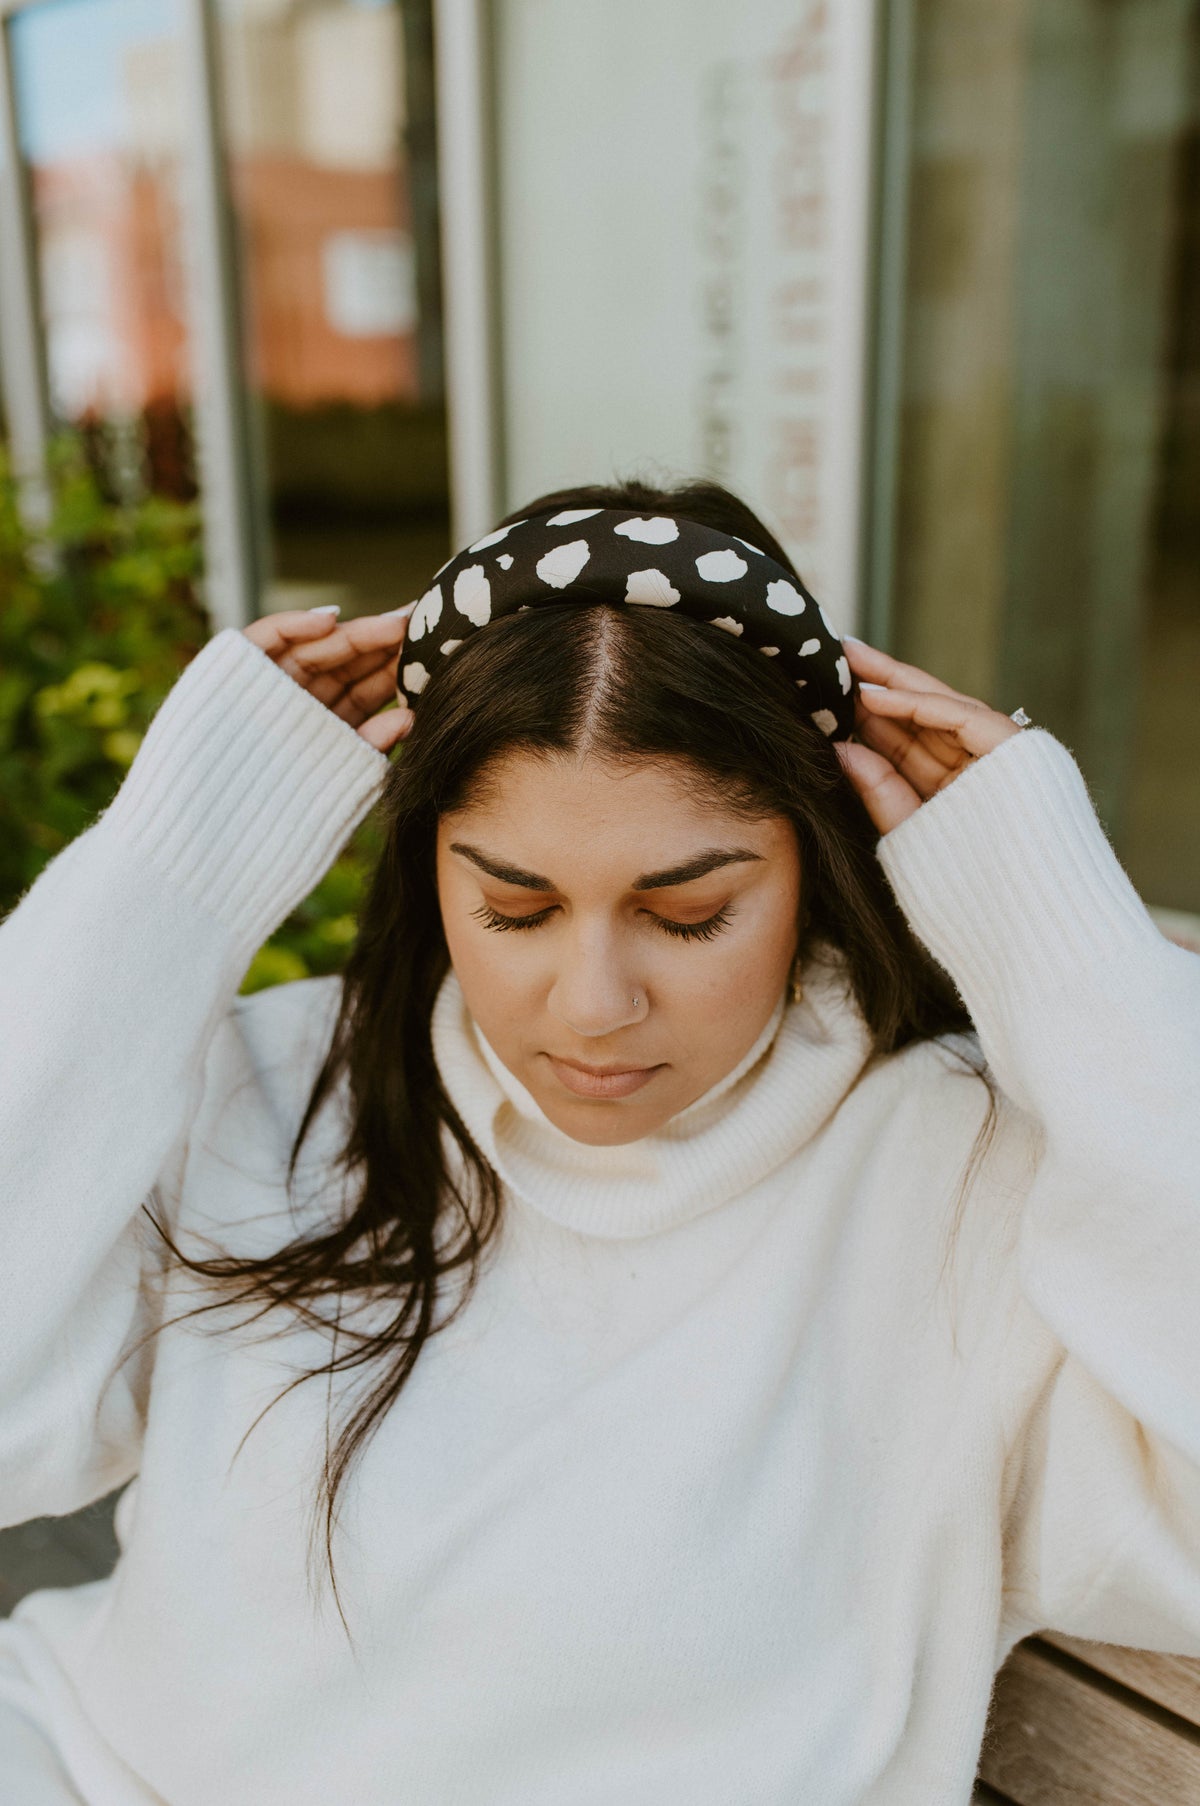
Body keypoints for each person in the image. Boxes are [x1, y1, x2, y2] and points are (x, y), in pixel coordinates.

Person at [0, 477, 1197, 1806]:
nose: (593, 1005)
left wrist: (1065, 946)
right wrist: (167, 875)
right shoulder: (277, 1083)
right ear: (430, 870)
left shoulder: (959, 1174)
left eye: (689, 915)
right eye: (513, 907)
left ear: (813, 863)